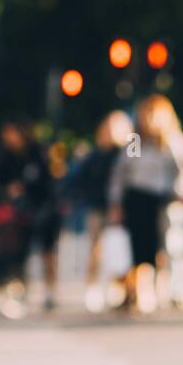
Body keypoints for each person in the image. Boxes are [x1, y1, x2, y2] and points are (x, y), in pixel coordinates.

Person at [106, 95, 183, 314]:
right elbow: (123, 172)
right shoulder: (136, 141)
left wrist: (182, 194)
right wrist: (116, 201)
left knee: (170, 245)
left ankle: (174, 291)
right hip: (138, 197)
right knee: (139, 247)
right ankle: (139, 291)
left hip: (164, 198)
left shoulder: (172, 141)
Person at [0, 120, 61, 311]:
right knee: (19, 252)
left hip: (44, 208)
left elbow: (49, 182)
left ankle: (50, 291)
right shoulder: (3, 156)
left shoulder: (38, 154)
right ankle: (20, 288)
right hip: (19, 213)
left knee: (47, 251)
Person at [66, 110, 131, 312]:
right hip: (97, 206)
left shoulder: (125, 154)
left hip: (119, 208)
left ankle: (118, 289)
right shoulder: (95, 155)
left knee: (119, 250)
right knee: (95, 249)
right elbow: (80, 179)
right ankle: (92, 288)